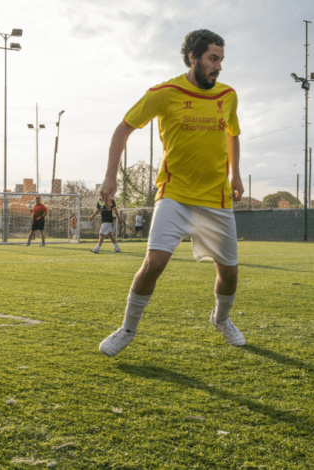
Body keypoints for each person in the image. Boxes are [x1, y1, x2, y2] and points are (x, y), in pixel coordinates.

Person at [97, 29, 246, 357]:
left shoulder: (228, 96)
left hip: (217, 199)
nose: (218, 66)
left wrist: (236, 175)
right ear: (193, 57)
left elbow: (233, 134)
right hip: (175, 195)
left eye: (221, 59)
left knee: (230, 273)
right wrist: (110, 177)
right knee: (154, 262)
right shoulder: (164, 93)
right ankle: (127, 329)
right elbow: (123, 128)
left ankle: (221, 319)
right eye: (212, 59)